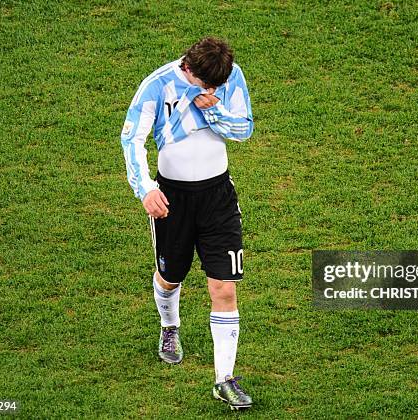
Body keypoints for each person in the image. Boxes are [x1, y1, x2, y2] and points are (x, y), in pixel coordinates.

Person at [120, 37, 254, 410]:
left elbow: (243, 129)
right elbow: (132, 139)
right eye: (207, 85)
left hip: (218, 199)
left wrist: (213, 110)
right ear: (189, 68)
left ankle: (224, 380)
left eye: (218, 86)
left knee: (224, 288)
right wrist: (145, 189)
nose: (214, 90)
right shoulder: (156, 85)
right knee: (170, 277)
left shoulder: (229, 77)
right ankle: (170, 327)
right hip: (172, 201)